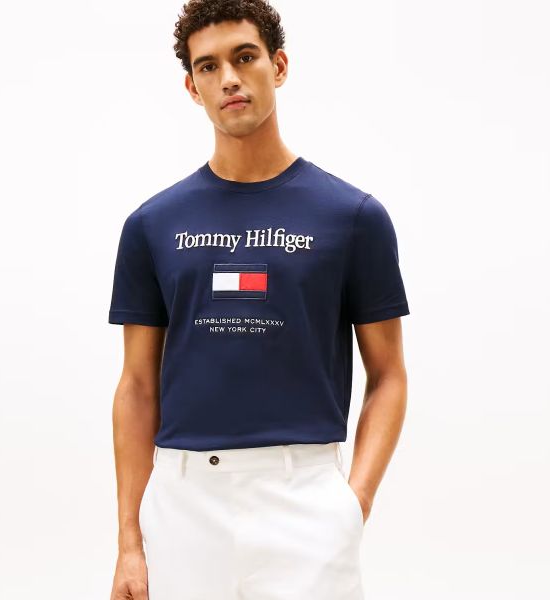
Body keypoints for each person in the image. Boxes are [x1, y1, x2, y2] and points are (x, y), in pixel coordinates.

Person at [108, 1, 410, 599]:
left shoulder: (352, 217)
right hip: (183, 506)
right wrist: (129, 543)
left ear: (279, 66)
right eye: (208, 66)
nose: (229, 78)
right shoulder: (152, 224)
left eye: (245, 57)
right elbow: (137, 386)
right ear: (192, 87)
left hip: (306, 500)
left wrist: (353, 504)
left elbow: (389, 375)